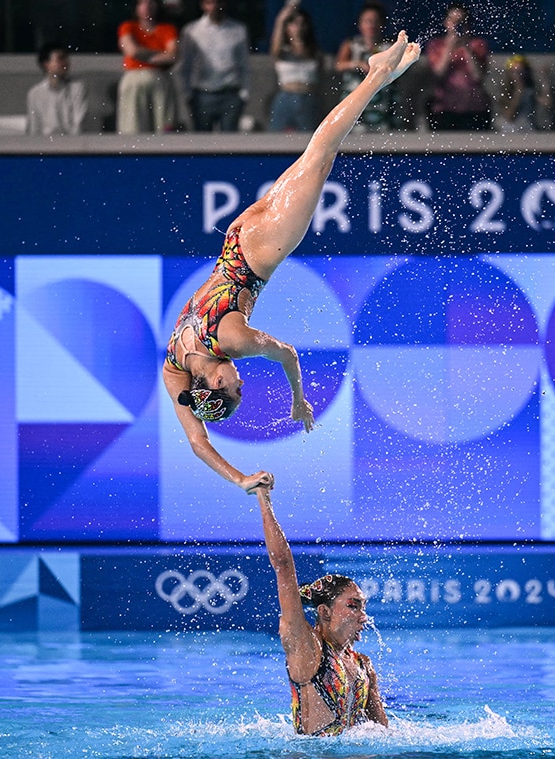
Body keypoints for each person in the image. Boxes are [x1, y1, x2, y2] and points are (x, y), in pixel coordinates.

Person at [162, 32, 420, 493]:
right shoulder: (174, 365)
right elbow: (197, 441)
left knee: (321, 156)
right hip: (237, 238)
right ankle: (384, 75)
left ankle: (378, 73)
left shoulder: (234, 342)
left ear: (216, 383)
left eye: (236, 388)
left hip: (261, 253)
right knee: (312, 157)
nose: (241, 381)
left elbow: (288, 354)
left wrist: (299, 401)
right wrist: (239, 477)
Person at [256, 486, 388, 735]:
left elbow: (385, 735)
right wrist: (264, 499)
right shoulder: (307, 649)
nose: (363, 616)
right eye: (352, 606)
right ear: (325, 612)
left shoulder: (364, 666)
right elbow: (283, 566)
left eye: (363, 607)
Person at [179, 0, 250, 132]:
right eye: (210, 3)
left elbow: (243, 63)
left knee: (230, 145)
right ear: (203, 5)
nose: (214, 7)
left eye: (218, 2)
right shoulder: (192, 30)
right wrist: (187, 93)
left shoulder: (238, 29)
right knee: (202, 145)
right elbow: (186, 65)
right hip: (202, 95)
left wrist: (244, 93)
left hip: (231, 94)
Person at [424, 3, 493, 131]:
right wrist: (450, 48)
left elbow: (478, 77)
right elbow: (437, 75)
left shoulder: (478, 45)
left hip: (474, 108)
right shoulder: (436, 45)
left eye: (461, 21)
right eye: (453, 21)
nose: (457, 25)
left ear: (468, 24)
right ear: (446, 23)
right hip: (444, 108)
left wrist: (467, 48)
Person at [117, 0, 180, 134]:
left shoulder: (167, 29)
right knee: (133, 127)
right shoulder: (128, 27)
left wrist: (143, 55)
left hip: (160, 79)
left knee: (164, 127)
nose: (147, 7)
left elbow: (173, 56)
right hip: (134, 79)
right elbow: (132, 51)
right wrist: (161, 55)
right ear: (136, 7)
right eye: (142, 3)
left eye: (151, 3)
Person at [334, 1, 397, 132]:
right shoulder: (351, 44)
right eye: (367, 21)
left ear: (382, 24)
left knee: (385, 140)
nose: (371, 25)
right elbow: (339, 65)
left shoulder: (390, 46)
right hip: (356, 102)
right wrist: (356, 64)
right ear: (360, 24)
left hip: (383, 103)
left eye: (375, 21)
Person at [268, 1, 321, 132]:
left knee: (309, 137)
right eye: (294, 24)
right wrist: (289, 8)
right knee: (278, 137)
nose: (299, 27)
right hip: (286, 96)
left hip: (308, 97)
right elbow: (278, 29)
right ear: (287, 27)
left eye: (302, 23)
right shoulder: (281, 50)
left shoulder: (314, 52)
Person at [26, 43, 88, 136]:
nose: (66, 62)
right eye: (60, 59)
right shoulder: (35, 93)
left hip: (71, 145)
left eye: (66, 58)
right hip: (44, 145)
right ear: (46, 64)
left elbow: (79, 125)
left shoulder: (77, 88)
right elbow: (34, 128)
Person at [497, 54, 539, 133]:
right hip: (510, 131)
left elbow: (547, 103)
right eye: (514, 72)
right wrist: (518, 91)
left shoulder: (530, 91)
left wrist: (545, 80)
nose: (518, 75)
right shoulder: (504, 92)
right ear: (509, 73)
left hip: (528, 130)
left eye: (521, 71)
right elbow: (509, 117)